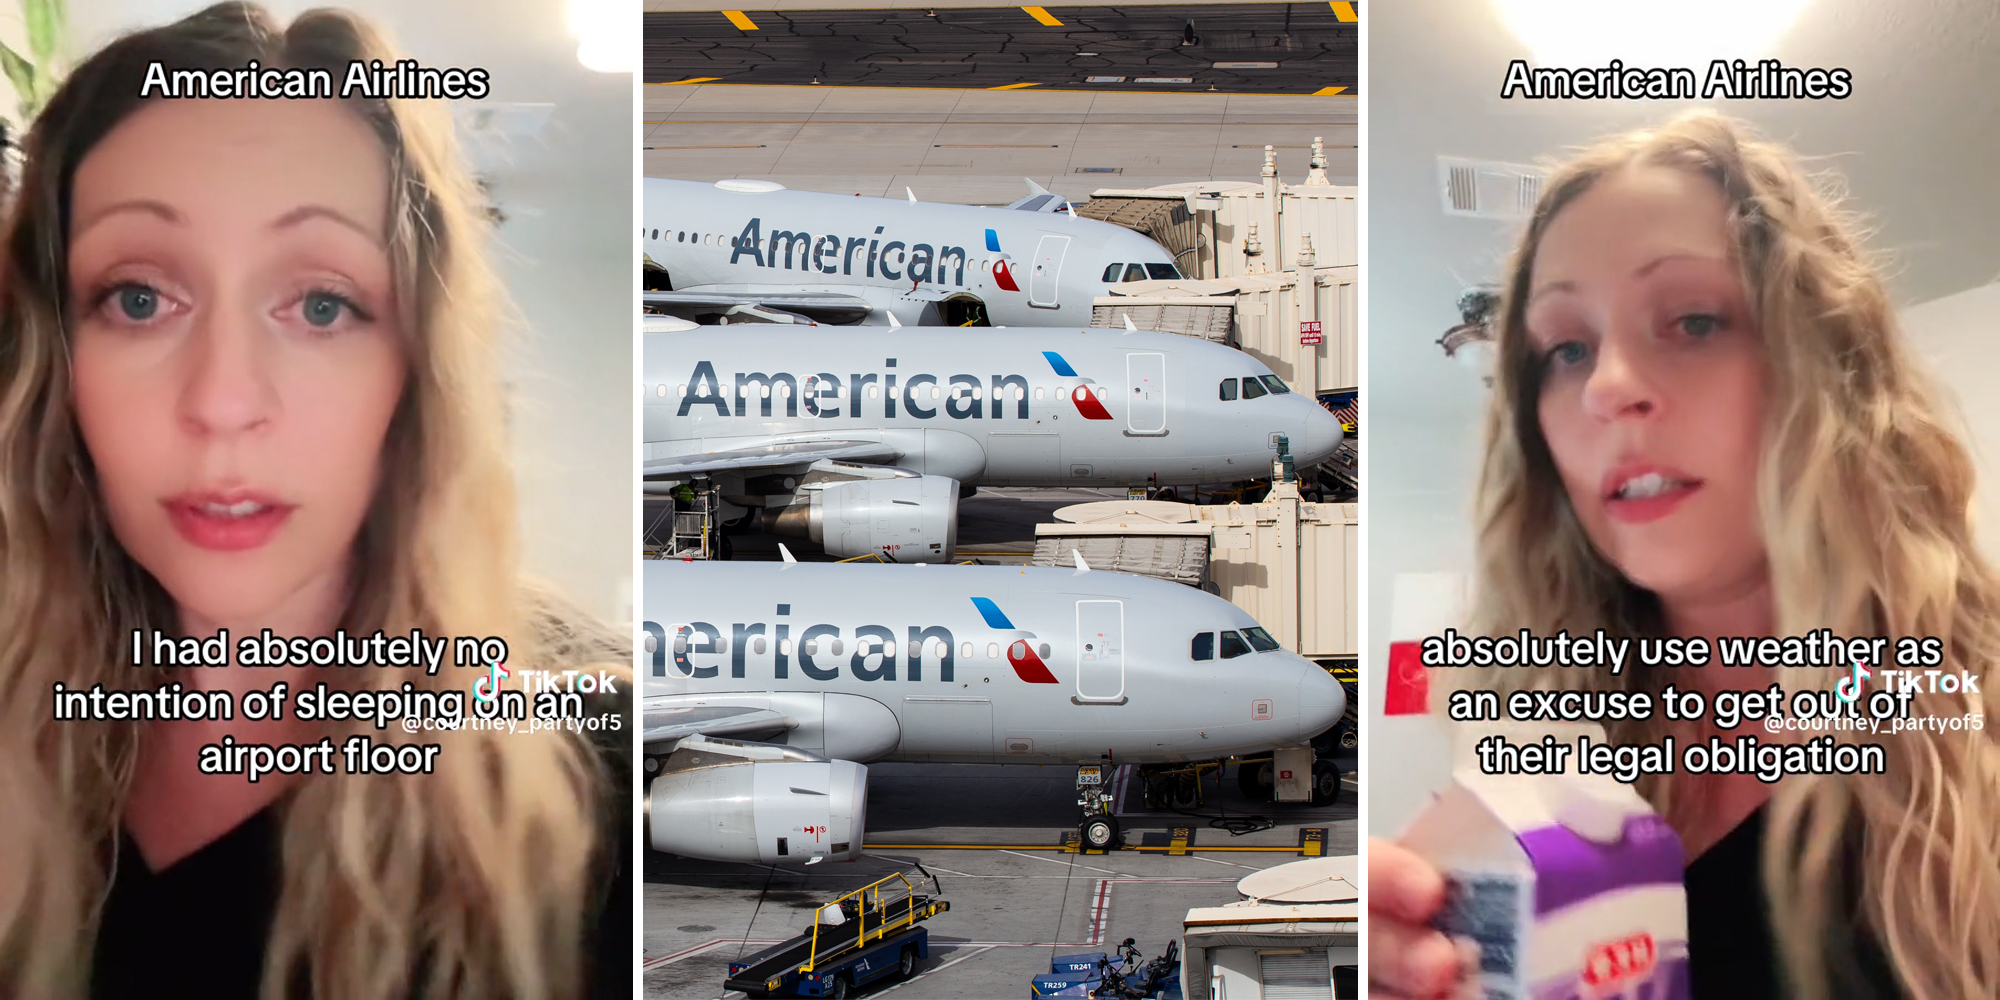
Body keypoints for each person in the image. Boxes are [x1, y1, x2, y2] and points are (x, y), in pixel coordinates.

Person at [0, 4, 631, 997]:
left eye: (322, 305)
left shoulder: (609, 776)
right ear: (52, 361)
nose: (222, 403)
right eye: (137, 297)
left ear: (413, 371)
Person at [1369, 112, 2000, 1000]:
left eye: (1696, 320)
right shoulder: (1545, 757)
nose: (1608, 387)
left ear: (1827, 373)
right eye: (1568, 348)